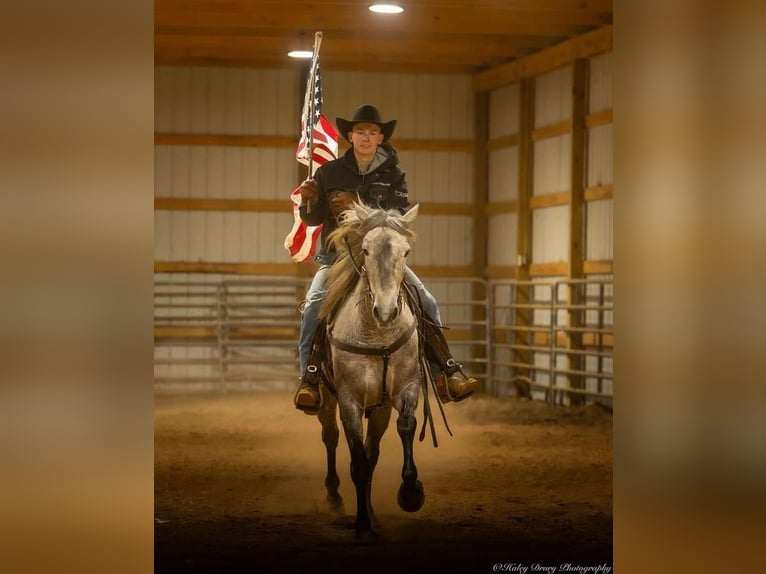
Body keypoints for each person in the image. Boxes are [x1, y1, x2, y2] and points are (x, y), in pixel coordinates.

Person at [293, 104, 478, 414]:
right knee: (313, 306)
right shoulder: (328, 173)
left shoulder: (394, 174)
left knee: (427, 301)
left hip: (382, 258)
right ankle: (309, 378)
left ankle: (445, 373)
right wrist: (308, 203)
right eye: (360, 132)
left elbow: (398, 217)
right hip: (336, 259)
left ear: (380, 138)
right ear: (350, 136)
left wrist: (357, 203)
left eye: (372, 132)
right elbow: (313, 221)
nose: (366, 137)